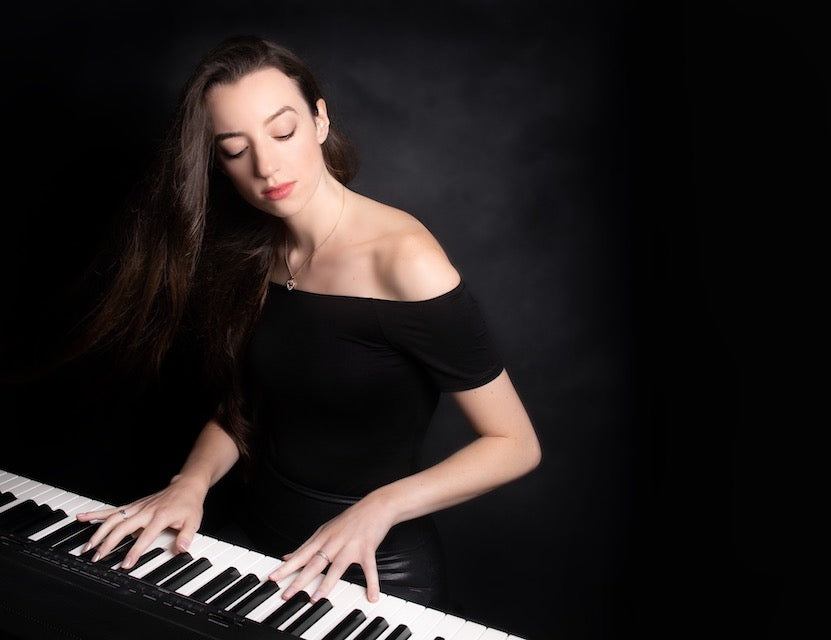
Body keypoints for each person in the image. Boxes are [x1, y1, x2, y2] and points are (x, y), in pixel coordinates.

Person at [69, 34, 541, 609]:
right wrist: (189, 484)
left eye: (283, 131)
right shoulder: (255, 252)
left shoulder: (405, 260)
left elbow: (515, 443)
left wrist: (378, 507)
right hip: (253, 549)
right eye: (235, 149)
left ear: (319, 121)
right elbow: (245, 408)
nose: (266, 166)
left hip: (373, 569)